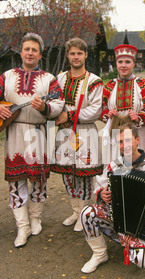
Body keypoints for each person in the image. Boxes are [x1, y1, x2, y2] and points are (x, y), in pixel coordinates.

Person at [0, 33, 64, 248]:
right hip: (14, 132)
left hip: (39, 132)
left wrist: (45, 107)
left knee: (38, 179)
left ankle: (36, 219)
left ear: (40, 54)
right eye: (26, 49)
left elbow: (59, 103)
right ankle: (23, 226)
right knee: (16, 180)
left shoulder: (49, 79)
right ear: (21, 52)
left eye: (34, 50)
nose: (30, 53)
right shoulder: (7, 76)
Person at [80, 124, 145, 273]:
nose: (123, 145)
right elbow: (99, 186)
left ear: (137, 140)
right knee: (87, 213)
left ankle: (136, 244)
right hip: (118, 219)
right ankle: (100, 254)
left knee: (142, 260)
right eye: (120, 142)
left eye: (127, 140)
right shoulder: (114, 165)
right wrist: (101, 193)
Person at [51, 38, 103, 232]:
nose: (76, 57)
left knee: (84, 174)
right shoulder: (60, 79)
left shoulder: (94, 81)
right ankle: (75, 211)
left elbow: (96, 111)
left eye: (79, 53)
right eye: (72, 53)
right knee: (68, 174)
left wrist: (70, 115)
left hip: (85, 132)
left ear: (86, 55)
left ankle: (86, 212)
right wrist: (57, 115)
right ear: (68, 55)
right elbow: (55, 103)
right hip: (64, 131)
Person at [101, 44, 145, 160]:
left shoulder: (143, 85)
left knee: (137, 166)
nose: (123, 66)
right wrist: (108, 115)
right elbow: (102, 110)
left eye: (127, 62)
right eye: (120, 62)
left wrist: (139, 117)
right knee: (116, 165)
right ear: (116, 64)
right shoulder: (109, 85)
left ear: (134, 64)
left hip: (137, 132)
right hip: (115, 133)